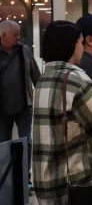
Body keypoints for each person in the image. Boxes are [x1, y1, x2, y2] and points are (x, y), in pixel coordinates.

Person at [32, 21, 92, 205]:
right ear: (70, 46)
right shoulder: (76, 79)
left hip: (47, 181)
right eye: (79, 42)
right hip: (79, 182)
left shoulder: (43, 79)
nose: (81, 47)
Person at [0, 20, 41, 191]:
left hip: (25, 105)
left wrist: (41, 95)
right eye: (15, 35)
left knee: (26, 142)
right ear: (2, 36)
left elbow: (35, 75)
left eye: (19, 34)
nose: (19, 37)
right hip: (2, 109)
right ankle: (6, 179)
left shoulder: (24, 50)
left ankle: (25, 178)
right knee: (3, 143)